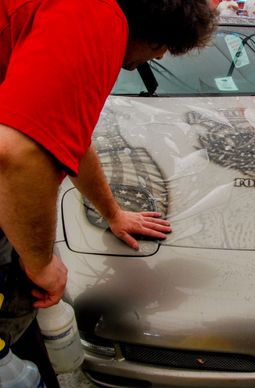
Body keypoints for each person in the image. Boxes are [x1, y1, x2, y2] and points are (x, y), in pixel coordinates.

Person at [0, 0, 216, 383]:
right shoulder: (96, 16)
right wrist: (41, 264)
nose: (162, 55)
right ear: (154, 29)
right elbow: (20, 153)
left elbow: (71, 141)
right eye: (162, 47)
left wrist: (112, 213)